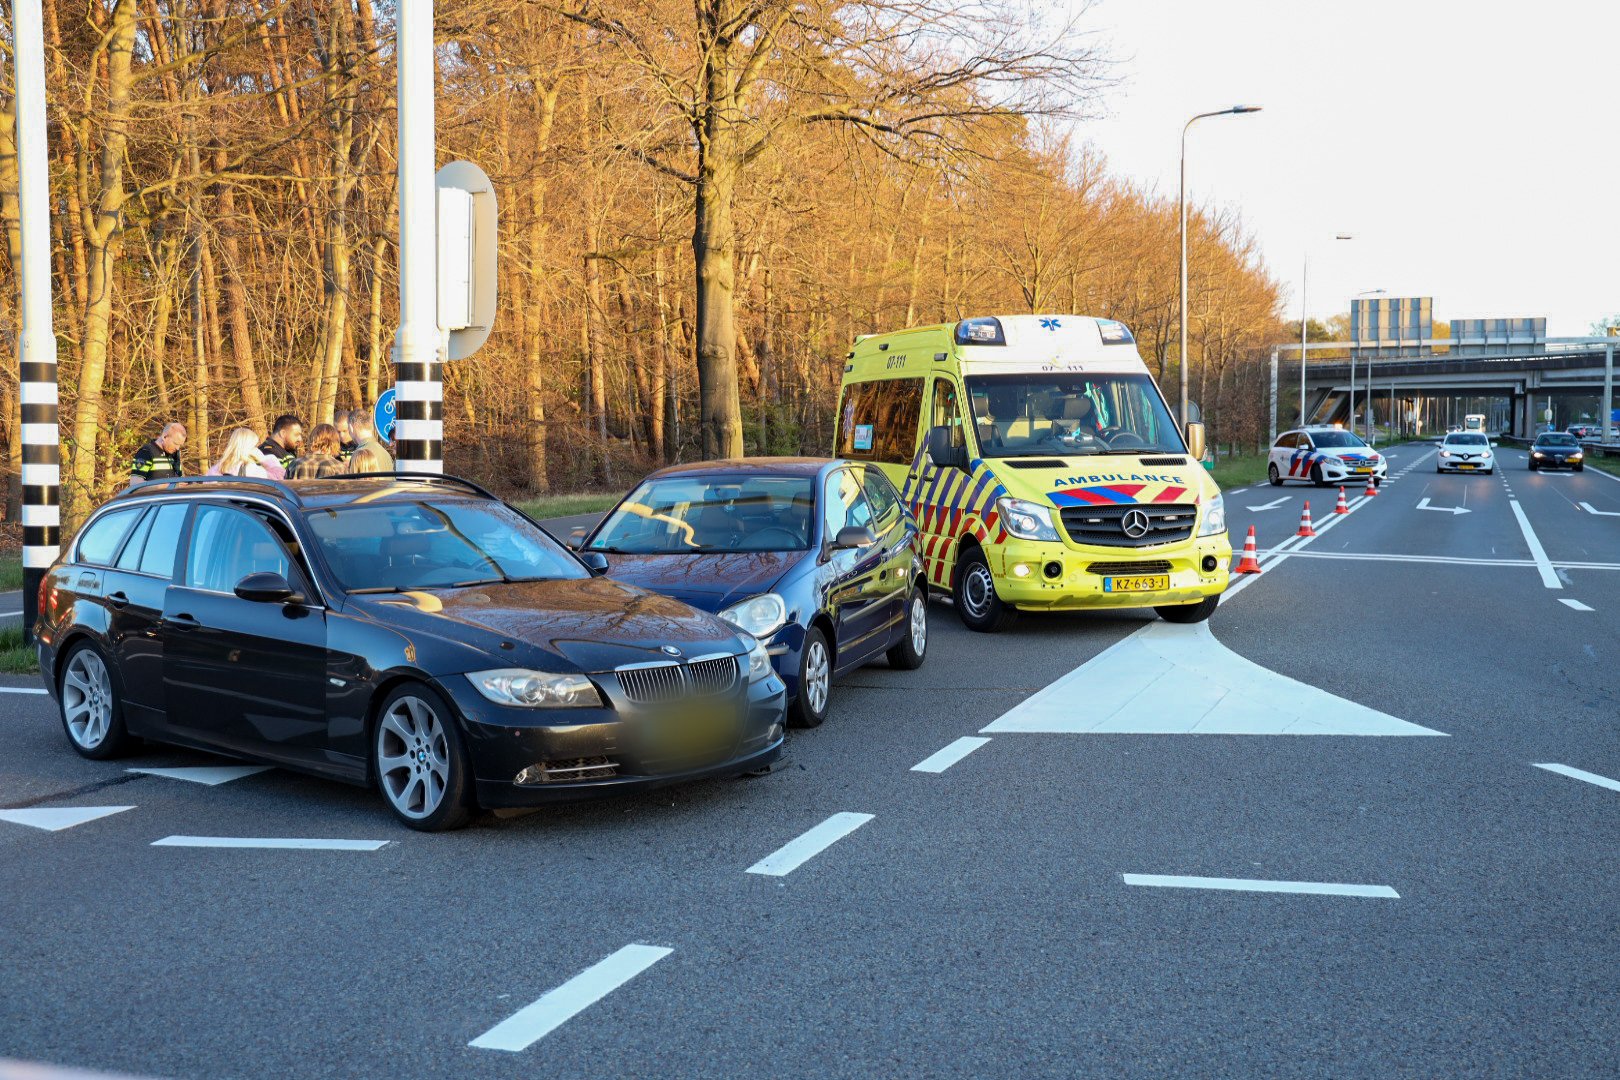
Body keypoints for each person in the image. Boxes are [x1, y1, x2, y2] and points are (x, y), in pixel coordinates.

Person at [208, 427, 284, 479]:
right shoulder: (251, 470)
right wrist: (263, 459)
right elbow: (279, 477)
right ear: (249, 448)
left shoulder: (214, 470)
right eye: (254, 446)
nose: (256, 449)